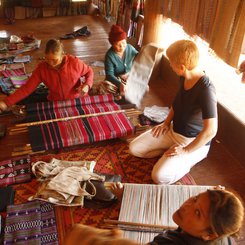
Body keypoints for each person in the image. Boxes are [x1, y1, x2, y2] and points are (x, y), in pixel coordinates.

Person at [129, 39, 218, 184]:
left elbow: (211, 131)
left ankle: (189, 159)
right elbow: (176, 105)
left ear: (182, 67)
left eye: (171, 63)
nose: (170, 66)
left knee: (158, 177)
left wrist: (186, 151)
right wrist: (165, 123)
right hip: (172, 132)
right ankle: (170, 154)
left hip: (190, 142)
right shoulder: (184, 77)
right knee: (134, 148)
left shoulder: (206, 89)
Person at [64, 184, 244, 245]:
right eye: (195, 198)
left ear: (209, 234)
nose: (187, 205)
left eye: (197, 212)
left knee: (78, 234)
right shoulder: (223, 235)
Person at [0, 39, 93, 113]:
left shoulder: (74, 63)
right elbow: (27, 88)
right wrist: (6, 102)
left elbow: (89, 72)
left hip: (78, 101)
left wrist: (87, 85)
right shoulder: (42, 69)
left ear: (63, 55)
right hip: (56, 104)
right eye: (47, 59)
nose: (51, 64)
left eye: (54, 60)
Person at [100, 24, 138, 96]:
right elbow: (109, 75)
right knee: (107, 88)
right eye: (118, 44)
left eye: (124, 43)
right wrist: (120, 84)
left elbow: (139, 56)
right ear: (113, 44)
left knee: (145, 88)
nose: (122, 46)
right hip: (115, 79)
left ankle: (125, 90)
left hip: (128, 77)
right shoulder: (109, 55)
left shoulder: (130, 48)